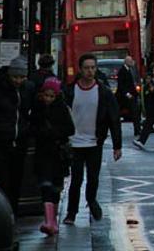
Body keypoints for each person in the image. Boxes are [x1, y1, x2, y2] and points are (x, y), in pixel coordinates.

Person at [63, 53, 123, 224]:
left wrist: (117, 146)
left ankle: (91, 200)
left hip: (94, 142)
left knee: (93, 177)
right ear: (80, 70)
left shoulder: (103, 92)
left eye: (92, 68)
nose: (90, 71)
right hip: (74, 142)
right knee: (76, 179)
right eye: (86, 68)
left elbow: (114, 119)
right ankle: (71, 213)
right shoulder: (70, 90)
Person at [0, 55, 30, 214]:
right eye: (15, 76)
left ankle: (12, 214)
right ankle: (2, 213)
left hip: (18, 142)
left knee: (15, 183)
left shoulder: (26, 90)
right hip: (0, 142)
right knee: (1, 182)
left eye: (22, 77)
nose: (18, 80)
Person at [29, 77, 74, 236]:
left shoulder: (61, 108)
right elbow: (32, 127)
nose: (47, 99)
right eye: (46, 95)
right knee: (45, 185)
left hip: (58, 154)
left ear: (56, 95)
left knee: (56, 187)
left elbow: (70, 129)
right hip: (43, 153)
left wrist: (53, 133)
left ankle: (53, 221)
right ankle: (48, 221)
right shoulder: (37, 108)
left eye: (51, 96)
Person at [115, 56, 141, 135]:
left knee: (136, 113)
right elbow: (122, 85)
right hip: (124, 97)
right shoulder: (122, 71)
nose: (131, 62)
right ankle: (136, 130)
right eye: (130, 61)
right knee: (133, 113)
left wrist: (136, 94)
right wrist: (127, 94)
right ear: (126, 62)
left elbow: (132, 84)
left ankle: (137, 129)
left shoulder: (130, 70)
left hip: (131, 95)